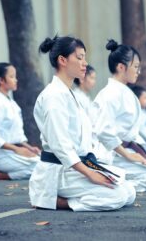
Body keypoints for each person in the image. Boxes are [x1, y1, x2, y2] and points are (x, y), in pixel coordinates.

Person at [29, 36, 136, 211]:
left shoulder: (68, 94)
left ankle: (64, 195)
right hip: (60, 171)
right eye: (79, 58)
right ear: (62, 60)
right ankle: (55, 200)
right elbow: (61, 146)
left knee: (129, 192)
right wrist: (90, 174)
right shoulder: (53, 96)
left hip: (76, 167)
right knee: (117, 196)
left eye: (84, 57)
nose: (84, 63)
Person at [93, 40, 146, 192]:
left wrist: (144, 154)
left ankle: (120, 181)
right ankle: (117, 184)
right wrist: (129, 156)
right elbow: (104, 132)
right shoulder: (110, 94)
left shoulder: (125, 92)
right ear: (121, 67)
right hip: (112, 153)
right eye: (135, 67)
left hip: (127, 149)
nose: (138, 71)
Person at [0, 60, 40, 180]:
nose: (16, 80)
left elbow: (15, 135)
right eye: (12, 77)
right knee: (42, 166)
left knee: (47, 162)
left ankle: (1, 174)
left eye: (15, 76)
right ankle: (0, 175)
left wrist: (28, 148)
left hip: (11, 153)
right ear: (1, 80)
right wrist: (17, 150)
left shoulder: (11, 103)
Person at [129, 85, 146, 154]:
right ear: (137, 99)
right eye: (145, 98)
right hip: (145, 147)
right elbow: (145, 134)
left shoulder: (143, 111)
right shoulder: (136, 115)